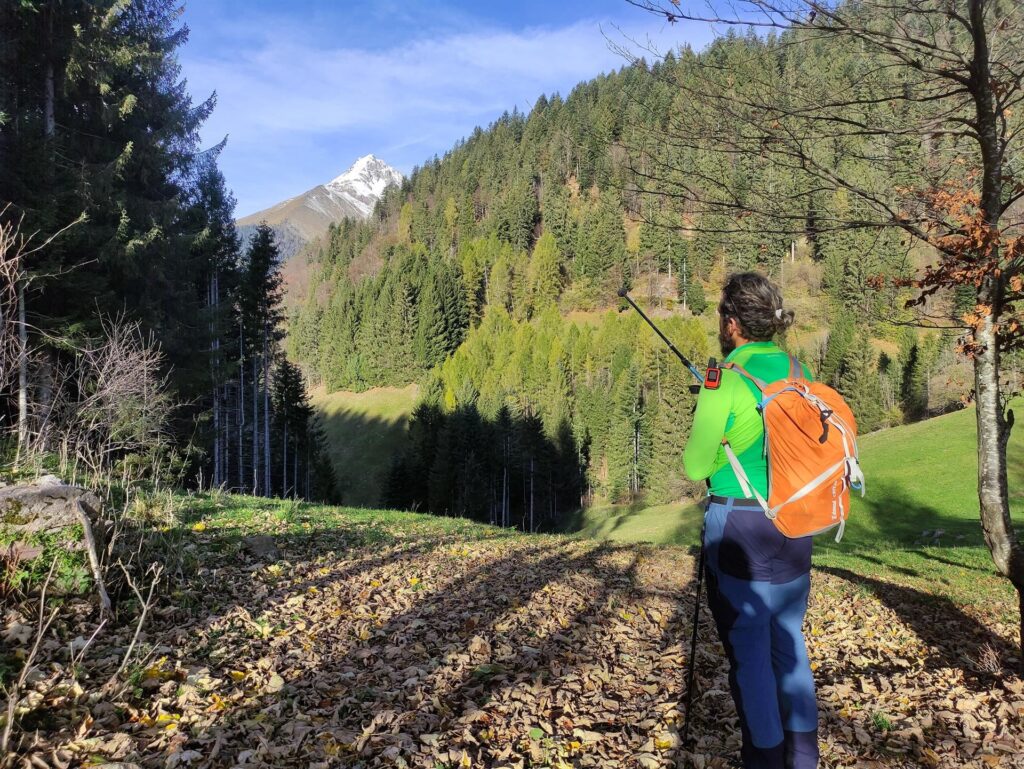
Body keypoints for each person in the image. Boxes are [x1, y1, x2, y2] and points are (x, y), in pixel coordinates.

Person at [683, 272, 818, 769]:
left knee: (750, 654)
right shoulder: (796, 369)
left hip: (739, 527)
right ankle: (804, 757)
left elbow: (695, 466)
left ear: (732, 323)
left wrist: (711, 414)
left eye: (722, 315)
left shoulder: (724, 381)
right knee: (789, 639)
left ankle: (763, 758)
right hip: (795, 521)